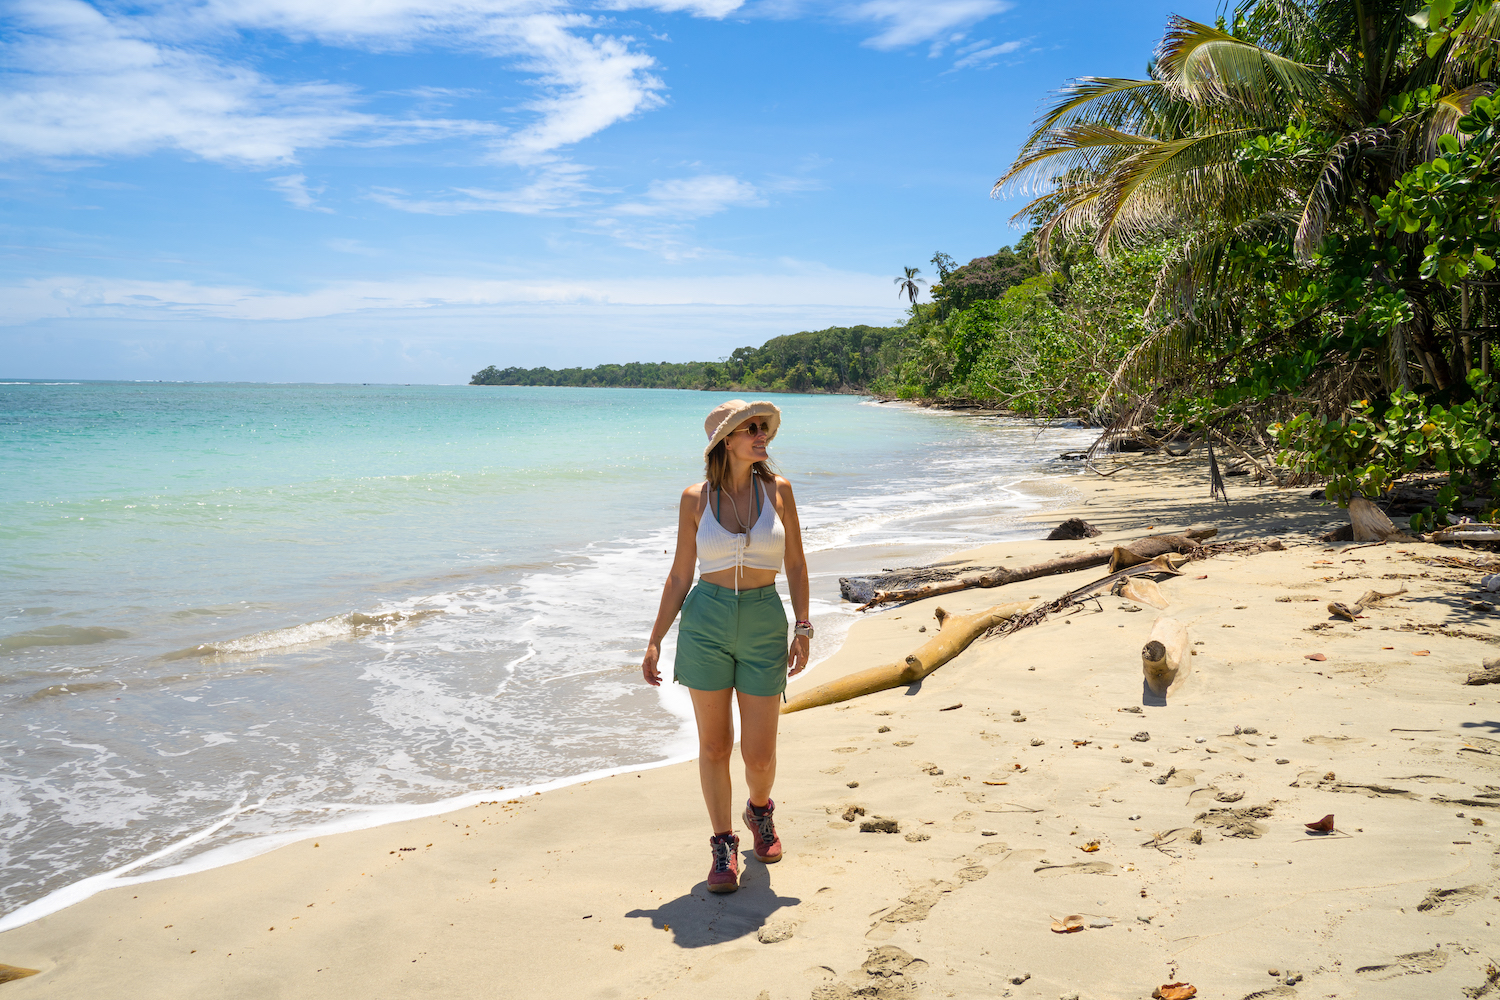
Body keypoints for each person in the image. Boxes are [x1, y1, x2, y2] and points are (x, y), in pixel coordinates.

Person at [641, 399, 812, 893]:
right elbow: (680, 574)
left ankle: (759, 811)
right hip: (705, 623)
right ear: (726, 442)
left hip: (763, 620)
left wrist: (803, 627)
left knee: (759, 756)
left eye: (763, 428)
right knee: (715, 746)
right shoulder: (695, 499)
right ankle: (722, 844)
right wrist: (654, 639)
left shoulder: (779, 491)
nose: (762, 435)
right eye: (751, 429)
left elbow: (796, 564)